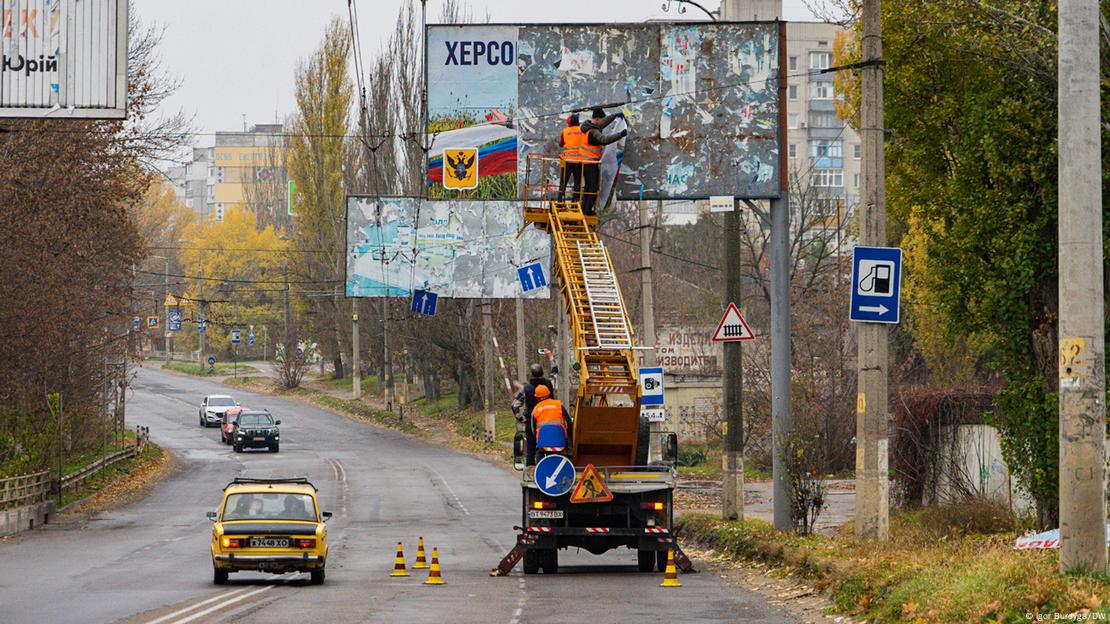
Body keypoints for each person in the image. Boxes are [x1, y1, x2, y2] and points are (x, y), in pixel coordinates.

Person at [579, 108, 628, 216]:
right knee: (593, 187)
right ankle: (587, 211)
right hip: (590, 163)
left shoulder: (587, 126)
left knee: (588, 186)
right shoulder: (593, 132)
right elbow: (604, 140)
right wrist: (620, 134)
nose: (602, 122)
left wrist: (614, 116)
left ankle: (583, 209)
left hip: (585, 162)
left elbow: (603, 123)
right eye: (601, 120)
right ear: (596, 119)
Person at [511, 363, 554, 465]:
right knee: (550, 449)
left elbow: (515, 406)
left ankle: (530, 473)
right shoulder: (549, 384)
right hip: (549, 421)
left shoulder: (526, 389)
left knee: (531, 450)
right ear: (543, 373)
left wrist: (521, 419)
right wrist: (551, 358)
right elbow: (554, 375)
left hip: (531, 424)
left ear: (531, 374)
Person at [530, 384, 571, 458]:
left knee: (539, 453)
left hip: (543, 444)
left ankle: (540, 466)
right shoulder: (558, 405)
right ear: (549, 394)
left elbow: (533, 431)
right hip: (560, 441)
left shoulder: (535, 409)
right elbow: (569, 423)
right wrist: (569, 438)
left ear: (537, 398)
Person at [557, 113, 585, 202]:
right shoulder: (583, 130)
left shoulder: (565, 131)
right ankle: (574, 203)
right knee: (577, 184)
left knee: (563, 183)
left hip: (567, 161)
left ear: (569, 122)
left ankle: (560, 201)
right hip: (579, 162)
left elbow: (561, 144)